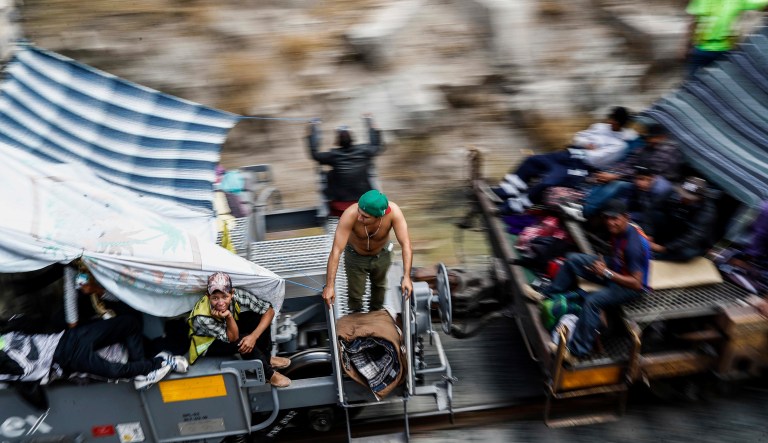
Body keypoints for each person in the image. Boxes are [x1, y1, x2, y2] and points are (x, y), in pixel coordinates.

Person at [543, 199, 650, 357]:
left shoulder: (633, 245)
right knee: (573, 260)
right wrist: (602, 265)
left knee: (593, 302)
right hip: (616, 269)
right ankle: (547, 295)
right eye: (607, 218)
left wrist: (606, 272)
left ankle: (576, 351)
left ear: (626, 217)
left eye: (615, 218)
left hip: (631, 288)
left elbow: (636, 283)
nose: (610, 222)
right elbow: (617, 256)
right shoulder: (619, 231)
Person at [497, 106, 638, 207]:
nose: (609, 120)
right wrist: (586, 143)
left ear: (618, 122)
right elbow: (578, 137)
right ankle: (506, 191)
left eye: (612, 118)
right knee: (532, 160)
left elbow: (596, 159)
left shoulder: (620, 145)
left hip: (582, 167)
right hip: (568, 154)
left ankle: (518, 204)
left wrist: (585, 146)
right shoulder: (600, 127)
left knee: (549, 181)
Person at [0, 315, 187, 390]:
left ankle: (143, 372)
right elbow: (24, 367)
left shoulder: (5, 333)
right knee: (113, 370)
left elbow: (27, 324)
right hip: (65, 359)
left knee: (129, 323)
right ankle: (158, 364)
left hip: (67, 338)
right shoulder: (6, 364)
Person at [188, 272, 291, 388]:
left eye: (225, 297)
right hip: (208, 342)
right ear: (208, 296)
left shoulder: (238, 295)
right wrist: (228, 316)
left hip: (227, 328)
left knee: (256, 318)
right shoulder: (202, 317)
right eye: (215, 298)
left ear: (232, 293)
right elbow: (234, 338)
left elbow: (269, 311)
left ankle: (266, 358)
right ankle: (268, 374)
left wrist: (254, 336)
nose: (220, 303)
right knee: (242, 341)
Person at [322, 190, 413, 312]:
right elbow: (336, 251)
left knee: (380, 288)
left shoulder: (394, 213)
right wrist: (330, 286)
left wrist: (407, 276)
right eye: (359, 212)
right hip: (355, 256)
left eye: (365, 217)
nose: (359, 217)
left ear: (379, 216)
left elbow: (406, 244)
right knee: (355, 293)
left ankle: (375, 316)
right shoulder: (350, 215)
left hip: (382, 255)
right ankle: (355, 316)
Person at [581, 122, 682, 218]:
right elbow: (628, 163)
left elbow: (651, 172)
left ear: (662, 137)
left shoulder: (669, 150)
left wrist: (617, 176)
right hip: (634, 177)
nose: (648, 140)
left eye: (652, 137)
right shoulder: (645, 148)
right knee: (602, 176)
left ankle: (586, 210)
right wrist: (610, 172)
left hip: (652, 184)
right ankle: (583, 200)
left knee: (617, 185)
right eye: (648, 137)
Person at [307, 114, 384, 216]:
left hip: (340, 206)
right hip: (365, 203)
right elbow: (377, 145)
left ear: (337, 141)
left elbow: (314, 154)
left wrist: (313, 127)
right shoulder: (365, 150)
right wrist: (369, 121)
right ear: (352, 138)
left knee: (328, 175)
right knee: (368, 172)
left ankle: (326, 215)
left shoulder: (333, 155)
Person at [684, 0, 768, 77]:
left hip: (720, 49)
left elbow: (692, 22)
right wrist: (687, 46)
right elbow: (692, 22)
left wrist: (687, 46)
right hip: (705, 49)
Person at [648, 177, 717, 262]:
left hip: (691, 238)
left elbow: (693, 236)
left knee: (686, 253)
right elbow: (653, 207)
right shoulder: (672, 192)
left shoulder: (707, 211)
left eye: (688, 197)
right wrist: (649, 233)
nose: (683, 198)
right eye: (682, 194)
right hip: (674, 224)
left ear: (699, 198)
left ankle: (660, 257)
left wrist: (665, 248)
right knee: (657, 215)